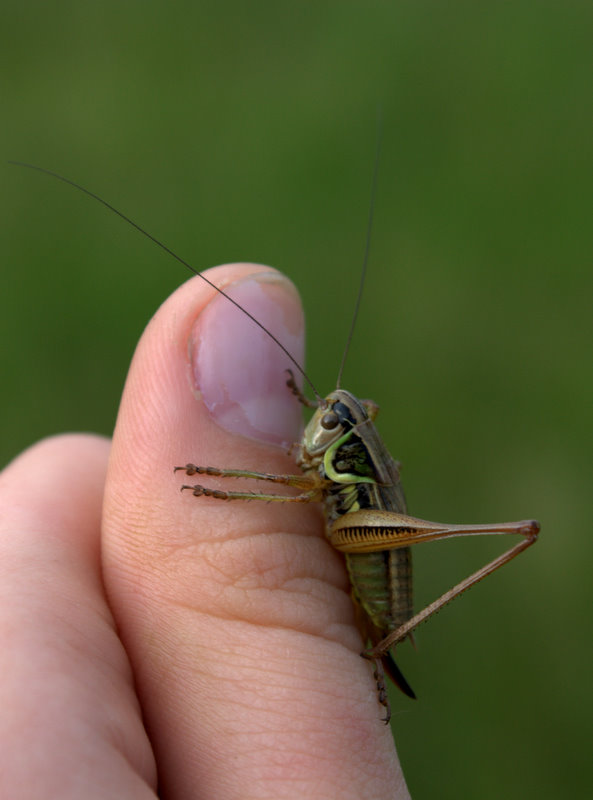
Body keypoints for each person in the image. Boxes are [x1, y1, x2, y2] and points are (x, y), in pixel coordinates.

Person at [0, 263, 409, 798]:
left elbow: (310, 489)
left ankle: (387, 645)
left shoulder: (345, 463)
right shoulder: (344, 433)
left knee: (304, 490)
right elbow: (352, 424)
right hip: (367, 526)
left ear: (345, 441)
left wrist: (224, 481)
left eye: (326, 423)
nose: (316, 426)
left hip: (375, 556)